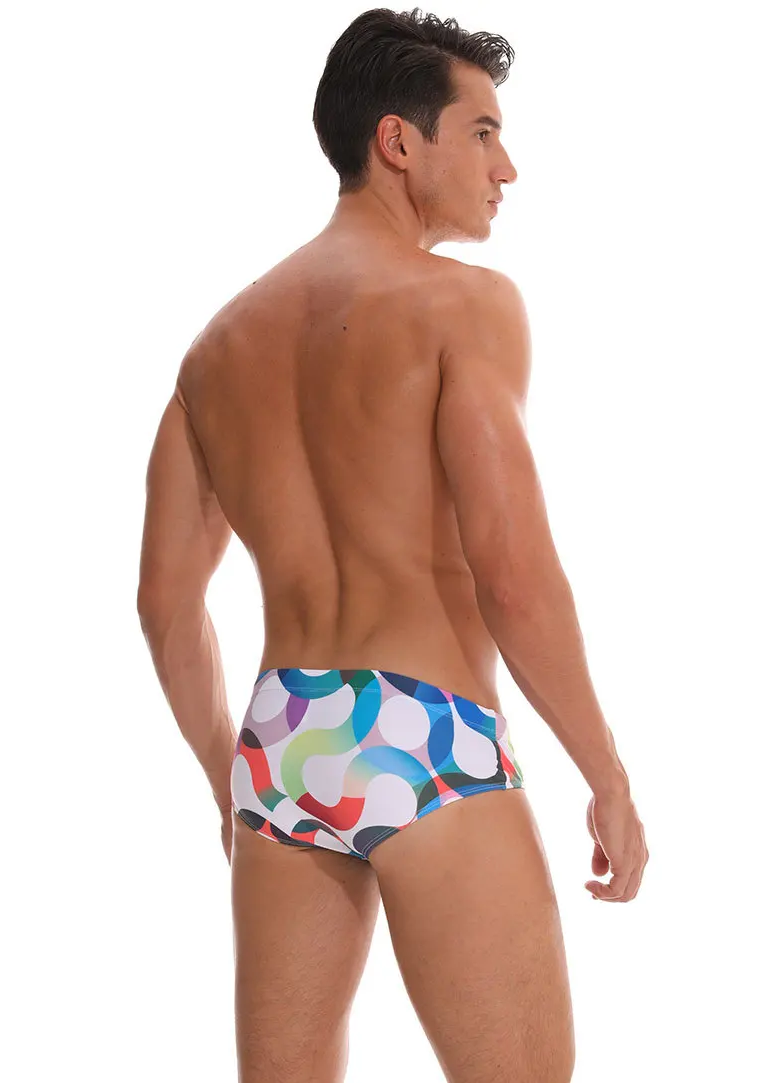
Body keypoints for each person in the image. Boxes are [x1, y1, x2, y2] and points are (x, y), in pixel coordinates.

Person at [137, 7, 648, 1082]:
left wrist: (227, 779)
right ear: (398, 141)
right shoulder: (462, 307)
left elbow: (164, 605)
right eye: (483, 132)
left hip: (282, 742)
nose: (506, 167)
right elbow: (513, 573)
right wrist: (605, 771)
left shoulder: (214, 350)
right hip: (426, 734)